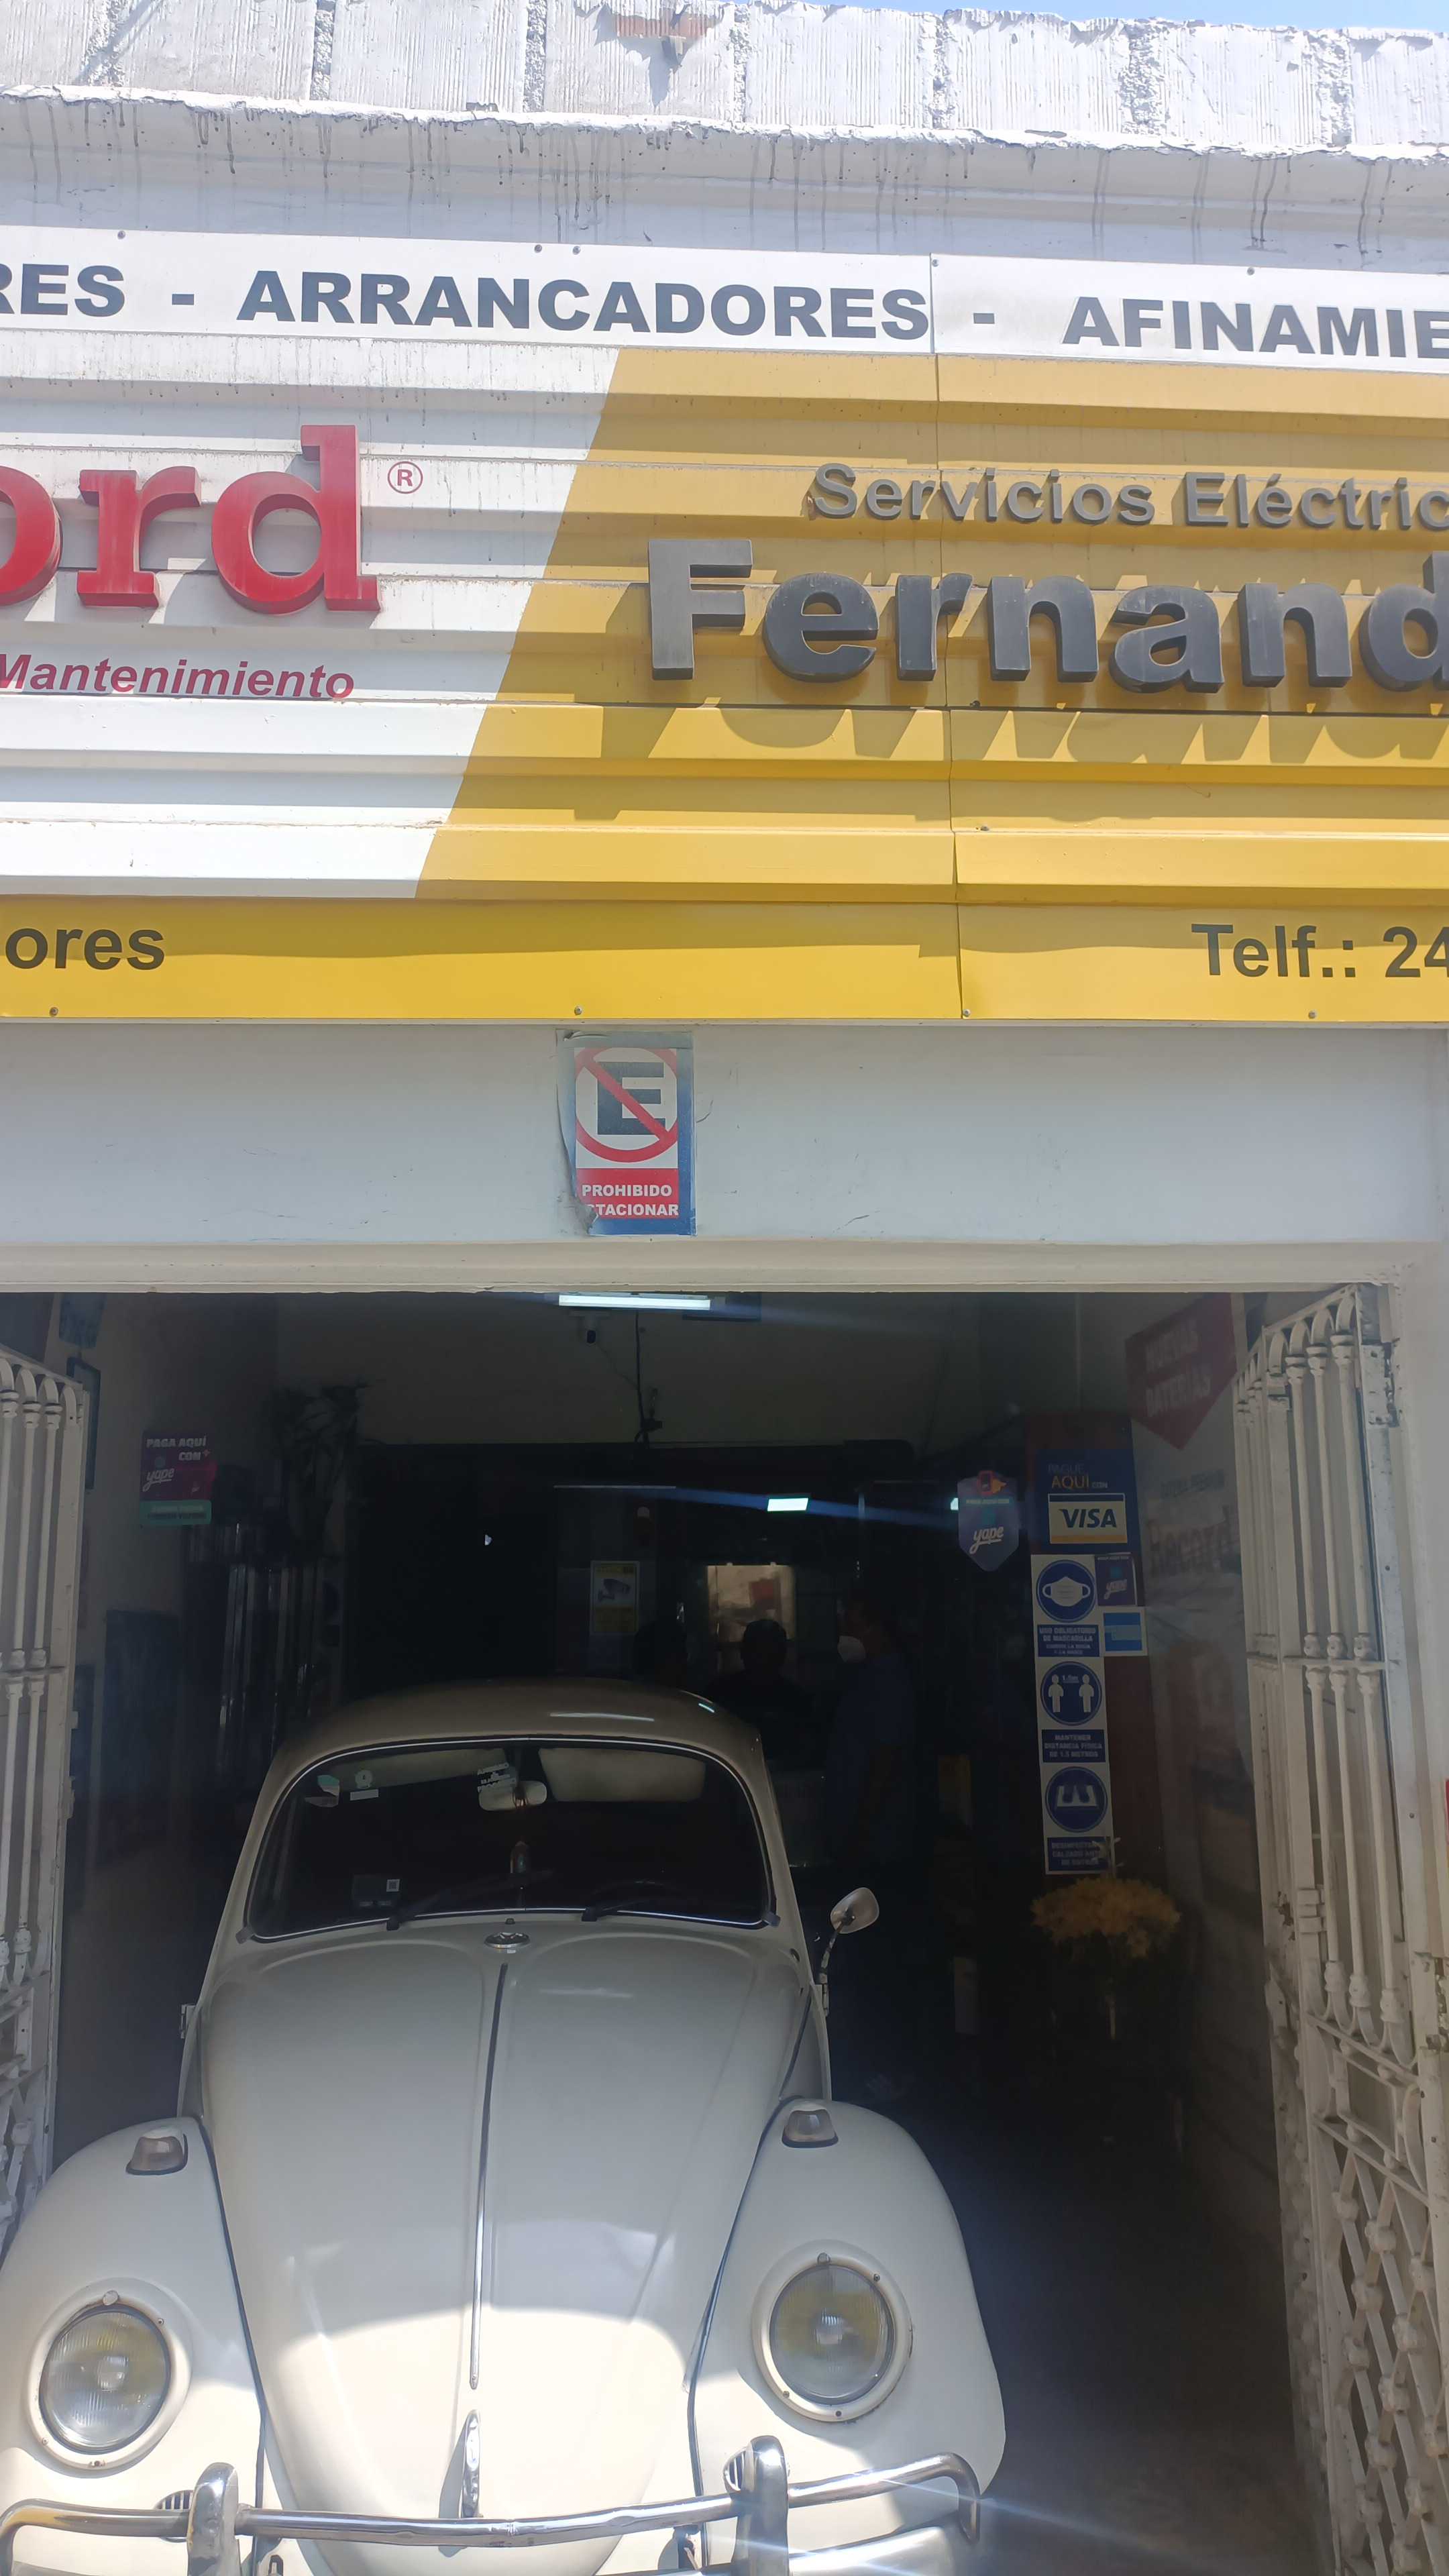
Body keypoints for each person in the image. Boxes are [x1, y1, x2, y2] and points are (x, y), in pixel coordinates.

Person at [824, 1586, 920, 2104]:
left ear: (877, 1627)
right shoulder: (867, 1679)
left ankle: (888, 2069)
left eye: (854, 1623)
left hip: (878, 1846)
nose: (846, 1632)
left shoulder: (890, 1681)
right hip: (862, 1838)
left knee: (878, 1956)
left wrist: (862, 1829)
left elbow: (884, 1762)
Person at [714, 1617, 822, 1768]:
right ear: (744, 1653)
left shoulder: (797, 1701)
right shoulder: (720, 1694)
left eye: (769, 1652)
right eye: (757, 1651)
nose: (762, 1659)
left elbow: (807, 1753)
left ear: (781, 1656)